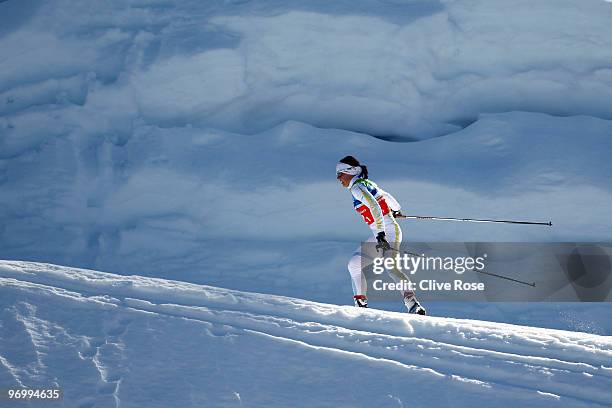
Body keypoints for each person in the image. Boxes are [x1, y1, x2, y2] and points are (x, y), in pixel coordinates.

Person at [336, 155, 426, 315]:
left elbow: (375, 207)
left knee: (392, 269)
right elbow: (387, 198)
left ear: (350, 172)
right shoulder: (367, 183)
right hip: (384, 233)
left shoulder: (357, 188)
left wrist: (380, 234)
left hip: (386, 234)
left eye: (340, 174)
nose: (338, 178)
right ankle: (360, 305)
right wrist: (396, 210)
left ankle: (413, 305)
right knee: (354, 265)